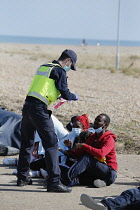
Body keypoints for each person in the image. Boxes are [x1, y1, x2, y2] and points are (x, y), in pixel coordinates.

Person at [17, 49, 78, 193]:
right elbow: (65, 91)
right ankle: (54, 182)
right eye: (71, 66)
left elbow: (44, 88)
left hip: (27, 107)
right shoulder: (60, 71)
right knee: (51, 144)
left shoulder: (44, 67)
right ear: (68, 60)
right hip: (39, 110)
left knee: (27, 143)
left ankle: (22, 177)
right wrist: (73, 96)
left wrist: (57, 96)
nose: (69, 69)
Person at [66, 113, 118, 187]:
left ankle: (65, 179)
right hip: (96, 171)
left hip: (109, 172)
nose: (95, 122)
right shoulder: (93, 137)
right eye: (95, 120)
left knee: (88, 158)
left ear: (105, 125)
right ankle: (94, 182)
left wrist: (84, 146)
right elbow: (81, 152)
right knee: (77, 161)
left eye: (99, 121)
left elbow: (101, 154)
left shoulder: (109, 139)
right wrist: (72, 149)